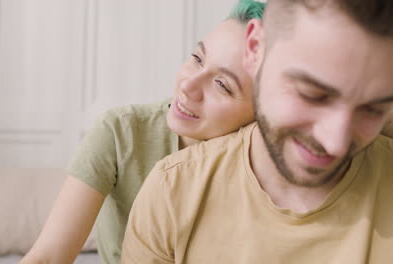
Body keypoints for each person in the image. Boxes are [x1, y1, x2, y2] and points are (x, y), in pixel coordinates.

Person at [121, 0, 393, 263]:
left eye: (372, 110)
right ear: (255, 49)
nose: (336, 142)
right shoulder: (172, 192)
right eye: (313, 95)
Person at [20, 1, 265, 263]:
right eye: (197, 59)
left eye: (221, 84)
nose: (188, 85)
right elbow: (48, 257)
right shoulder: (119, 133)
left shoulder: (266, 168)